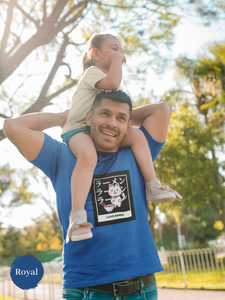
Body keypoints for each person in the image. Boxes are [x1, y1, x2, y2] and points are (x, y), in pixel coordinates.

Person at [3, 90, 182, 299]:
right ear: (89, 117)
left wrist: (120, 118)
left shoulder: (139, 152)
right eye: (104, 114)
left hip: (142, 289)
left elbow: (161, 110)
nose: (112, 123)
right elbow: (12, 127)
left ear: (128, 126)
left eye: (121, 118)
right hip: (86, 290)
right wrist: (65, 117)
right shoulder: (61, 156)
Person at [59, 32, 181, 242]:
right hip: (77, 130)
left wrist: (123, 120)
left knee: (135, 136)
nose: (119, 53)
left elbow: (117, 107)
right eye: (113, 48)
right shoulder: (92, 73)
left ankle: (152, 185)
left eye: (120, 49)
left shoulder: (105, 85)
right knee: (88, 155)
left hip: (95, 130)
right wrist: (118, 59)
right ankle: (77, 218)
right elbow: (115, 83)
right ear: (95, 53)